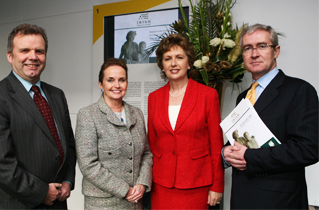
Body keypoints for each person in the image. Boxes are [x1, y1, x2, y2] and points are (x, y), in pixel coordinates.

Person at [0, 23, 76, 209]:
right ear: (10, 56)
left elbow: (68, 143)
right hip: (16, 204)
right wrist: (41, 192)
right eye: (24, 50)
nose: (33, 57)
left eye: (39, 51)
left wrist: (68, 181)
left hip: (58, 203)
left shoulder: (57, 95)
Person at [222, 23, 318, 209]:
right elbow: (240, 141)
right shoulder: (244, 97)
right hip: (241, 199)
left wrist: (250, 156)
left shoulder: (299, 90)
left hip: (278, 201)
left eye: (262, 46)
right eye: (247, 48)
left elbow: (308, 149)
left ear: (276, 51)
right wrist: (225, 153)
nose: (254, 53)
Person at [148, 34, 224, 209]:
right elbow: (152, 144)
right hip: (161, 186)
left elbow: (216, 145)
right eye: (168, 58)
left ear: (189, 63)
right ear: (162, 65)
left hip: (196, 185)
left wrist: (217, 186)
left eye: (179, 57)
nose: (173, 63)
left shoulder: (208, 95)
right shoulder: (154, 98)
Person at [75, 58, 153, 209]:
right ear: (101, 84)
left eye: (122, 80)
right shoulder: (87, 115)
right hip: (102, 203)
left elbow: (147, 154)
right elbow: (88, 164)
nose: (117, 85)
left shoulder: (137, 114)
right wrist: (124, 190)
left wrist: (142, 183)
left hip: (135, 202)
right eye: (110, 80)